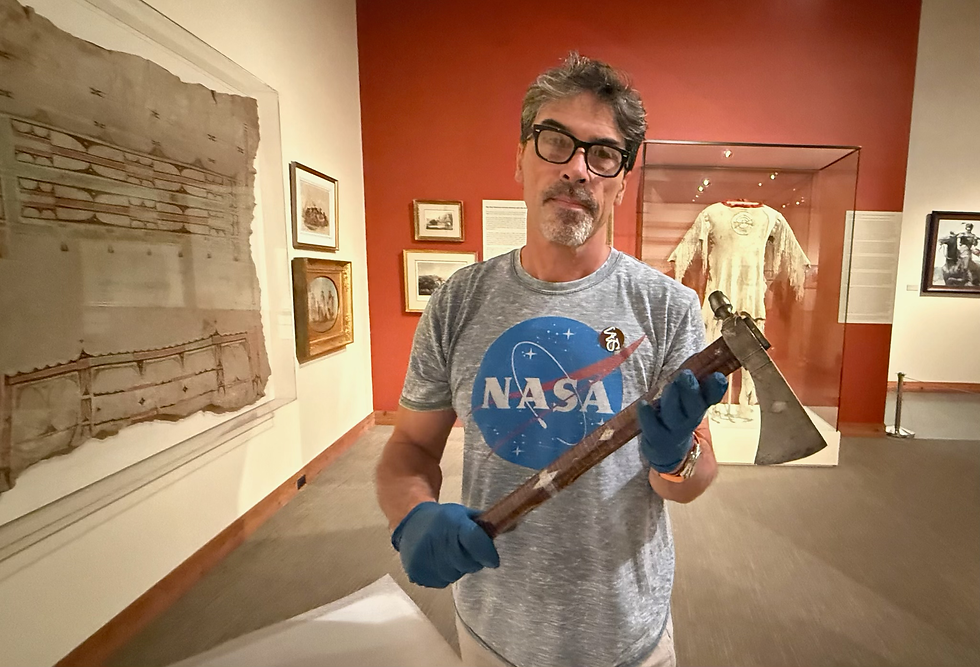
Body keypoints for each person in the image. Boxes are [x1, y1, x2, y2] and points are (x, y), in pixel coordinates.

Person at [375, 53, 728, 667]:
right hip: (492, 628)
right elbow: (409, 446)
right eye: (555, 142)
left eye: (603, 154)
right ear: (519, 156)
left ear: (622, 179)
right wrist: (412, 513)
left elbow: (692, 481)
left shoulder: (667, 306)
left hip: (627, 635)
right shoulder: (459, 300)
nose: (577, 170)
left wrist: (677, 457)